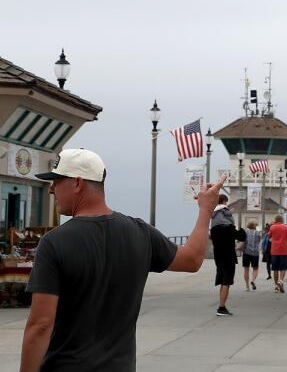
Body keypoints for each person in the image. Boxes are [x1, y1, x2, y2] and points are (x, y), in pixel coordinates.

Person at [19, 148, 224, 371]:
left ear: (78, 183)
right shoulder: (140, 232)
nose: (51, 189)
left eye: (57, 181)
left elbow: (41, 325)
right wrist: (206, 210)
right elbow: (193, 260)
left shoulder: (54, 243)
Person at [209, 193, 241, 316]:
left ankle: (222, 306)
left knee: (223, 280)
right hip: (228, 255)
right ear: (225, 202)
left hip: (218, 255)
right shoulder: (227, 223)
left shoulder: (213, 220)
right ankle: (221, 307)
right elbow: (237, 235)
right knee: (226, 281)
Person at [267, 215, 287, 293]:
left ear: (275, 220)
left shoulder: (272, 227)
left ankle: (276, 286)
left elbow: (268, 236)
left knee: (275, 269)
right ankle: (280, 281)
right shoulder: (286, 227)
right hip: (284, 250)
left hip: (274, 251)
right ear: (282, 220)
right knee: (283, 268)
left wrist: (272, 225)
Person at [241, 220, 260, 290]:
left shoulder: (245, 232)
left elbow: (243, 241)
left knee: (246, 269)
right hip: (255, 253)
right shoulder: (257, 233)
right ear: (254, 226)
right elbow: (259, 241)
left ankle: (247, 286)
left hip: (246, 253)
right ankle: (252, 280)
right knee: (255, 268)